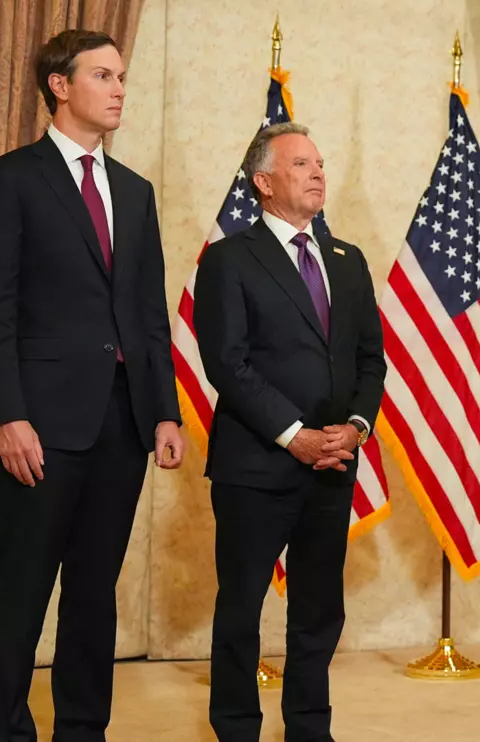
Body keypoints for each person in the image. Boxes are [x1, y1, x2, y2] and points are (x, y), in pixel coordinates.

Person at [0, 29, 184, 741]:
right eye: (103, 74)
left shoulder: (135, 191)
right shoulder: (9, 179)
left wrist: (163, 413)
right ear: (59, 86)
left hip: (121, 426)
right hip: (40, 425)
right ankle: (7, 731)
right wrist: (7, 417)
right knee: (23, 591)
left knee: (93, 595)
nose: (120, 87)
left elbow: (149, 315)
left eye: (121, 75)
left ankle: (83, 730)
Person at [192, 121, 386, 742]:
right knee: (241, 609)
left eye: (321, 163)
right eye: (302, 164)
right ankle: (236, 729)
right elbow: (226, 362)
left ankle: (308, 728)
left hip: (333, 464)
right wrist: (294, 434)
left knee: (318, 612)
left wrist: (354, 428)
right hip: (257, 466)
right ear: (264, 180)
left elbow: (369, 359)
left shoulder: (346, 260)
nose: (318, 173)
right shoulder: (228, 258)